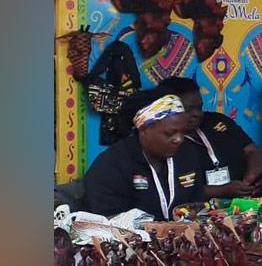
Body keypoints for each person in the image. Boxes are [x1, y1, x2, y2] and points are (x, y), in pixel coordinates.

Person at [84, 89, 208, 220]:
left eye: (182, 132)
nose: (179, 139)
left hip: (181, 237)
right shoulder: (111, 166)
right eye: (170, 133)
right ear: (143, 129)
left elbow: (197, 203)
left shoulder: (188, 155)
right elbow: (107, 221)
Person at [160, 77, 262, 198]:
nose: (197, 114)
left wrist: (250, 178)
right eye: (188, 110)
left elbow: (251, 150)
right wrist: (222, 191)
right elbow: (174, 188)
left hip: (243, 204)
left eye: (199, 107)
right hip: (197, 210)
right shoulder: (164, 142)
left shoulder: (218, 121)